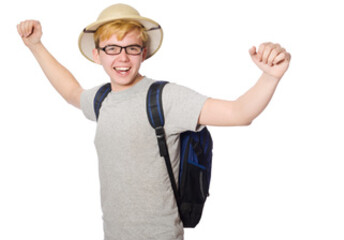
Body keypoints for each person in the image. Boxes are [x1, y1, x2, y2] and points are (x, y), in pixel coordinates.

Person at [15, 3, 290, 239]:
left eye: (131, 48)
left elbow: (239, 113)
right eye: (112, 48)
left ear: (143, 53)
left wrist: (270, 76)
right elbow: (70, 91)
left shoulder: (164, 98)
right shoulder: (100, 100)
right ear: (97, 54)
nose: (122, 57)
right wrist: (35, 45)